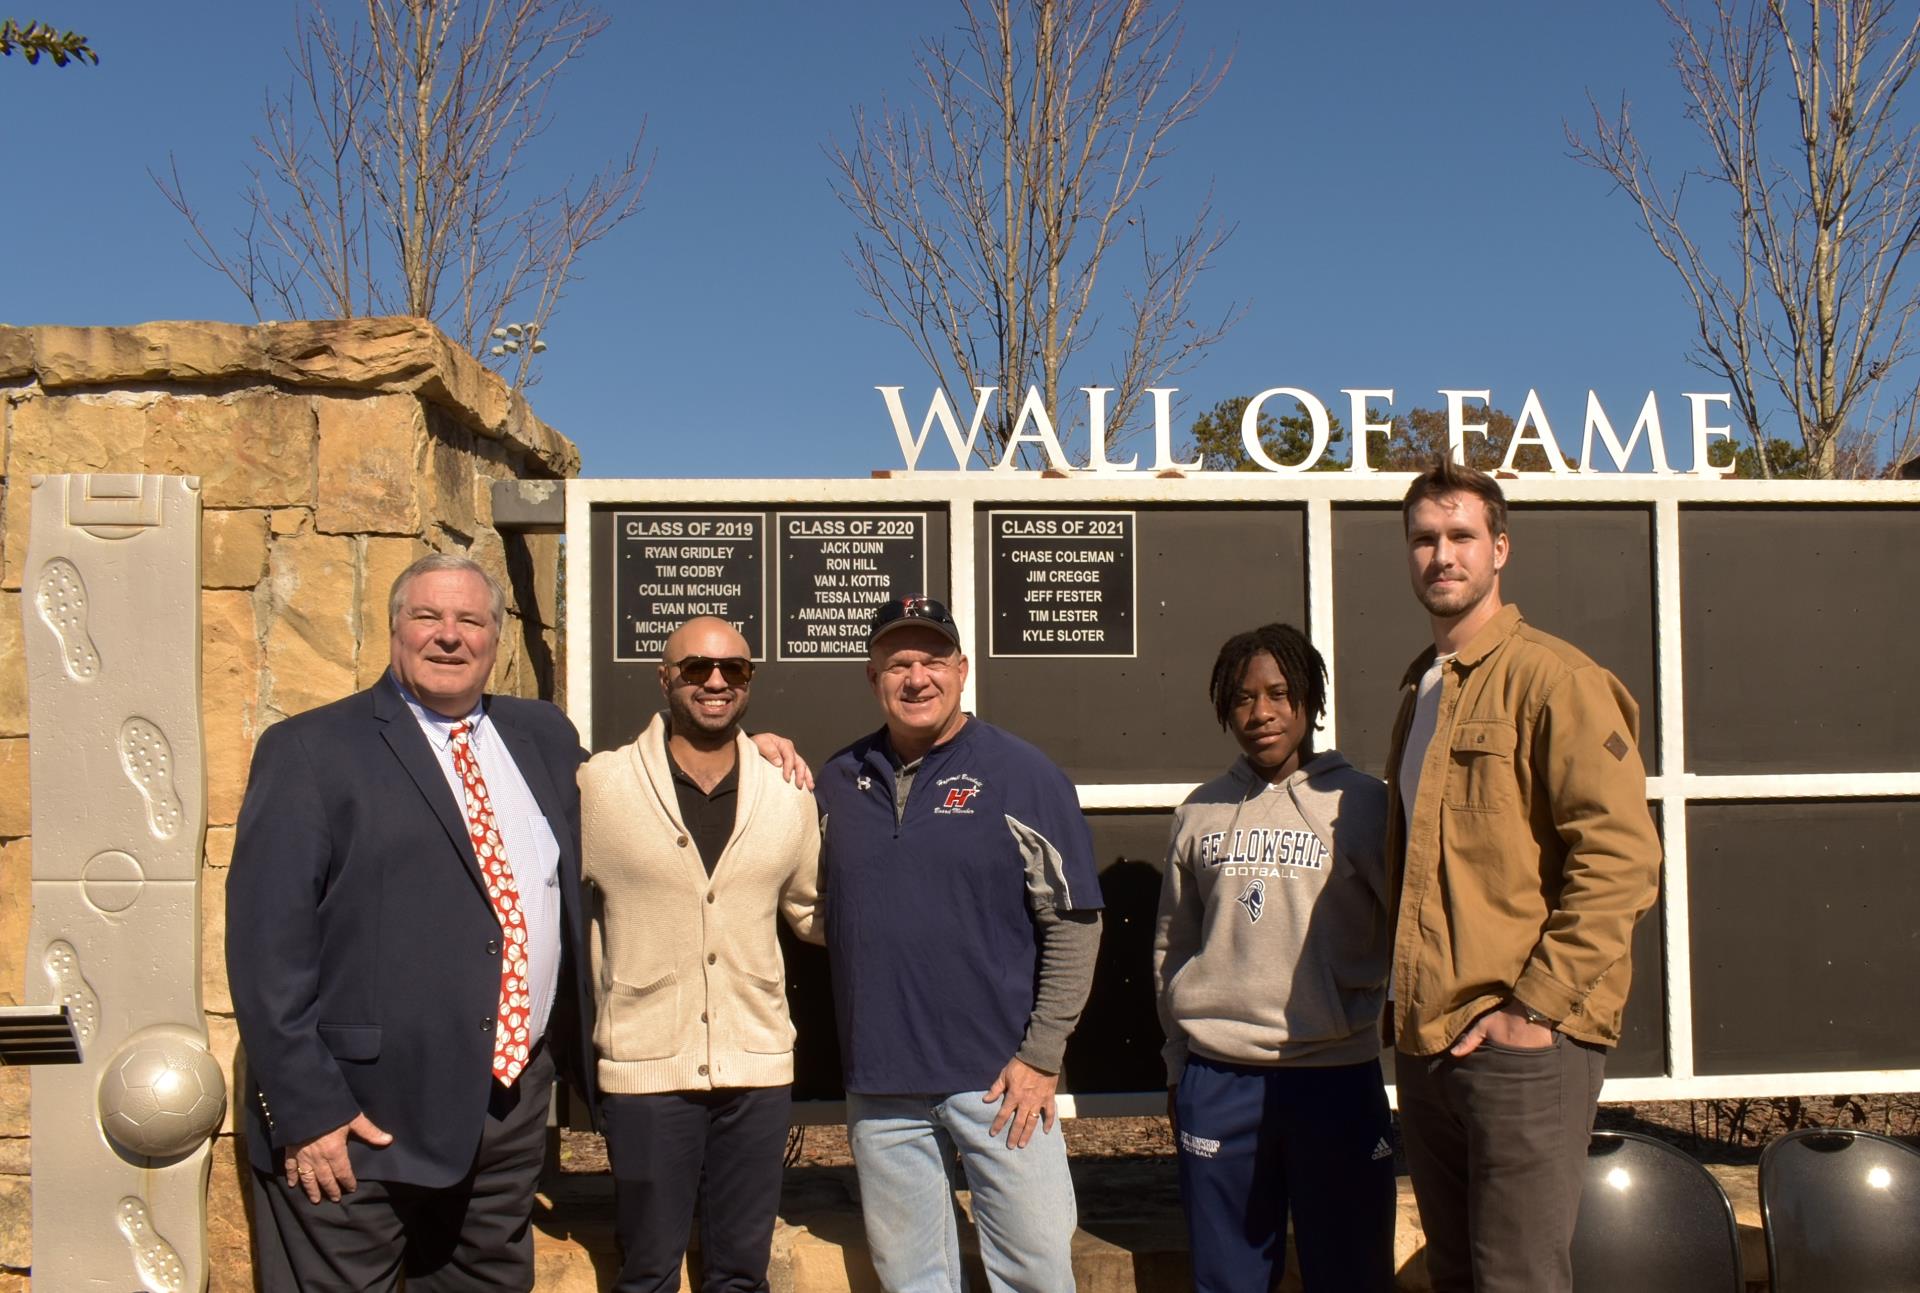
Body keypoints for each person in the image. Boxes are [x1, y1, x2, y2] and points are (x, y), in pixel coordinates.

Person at [227, 554, 806, 1290]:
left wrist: (750, 751)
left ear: (495, 639)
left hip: (505, 1117)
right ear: (394, 628)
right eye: (427, 617)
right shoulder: (312, 750)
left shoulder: (541, 737)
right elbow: (264, 947)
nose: (449, 636)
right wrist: (308, 1109)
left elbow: (652, 798)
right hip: (362, 1121)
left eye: (470, 620)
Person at [1386, 459, 1662, 1293]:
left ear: (1500, 548)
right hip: (1431, 1043)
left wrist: (1534, 1008)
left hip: (1522, 1046)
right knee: (1459, 1277)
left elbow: (1621, 859)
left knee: (1518, 1280)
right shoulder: (1422, 688)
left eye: (1462, 536)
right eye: (1425, 539)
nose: (1443, 555)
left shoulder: (1556, 679)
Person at [814, 595, 1104, 1293]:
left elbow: (1074, 921)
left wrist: (1041, 1054)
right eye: (898, 662)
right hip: (883, 1086)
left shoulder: (1022, 773)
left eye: (933, 659)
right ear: (872, 676)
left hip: (1001, 1085)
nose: (917, 677)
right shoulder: (834, 780)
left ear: (963, 669)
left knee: (1037, 1274)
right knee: (915, 1280)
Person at [579, 615, 822, 1293]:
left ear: (749, 682)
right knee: (648, 1271)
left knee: (742, 1274)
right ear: (666, 678)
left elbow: (812, 910)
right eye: (696, 668)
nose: (715, 681)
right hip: (645, 1068)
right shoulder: (601, 787)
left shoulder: (787, 793)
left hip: (758, 1067)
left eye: (733, 670)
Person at [1154, 623, 1395, 1292]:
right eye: (1241, 698)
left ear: (1310, 700)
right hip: (1219, 1080)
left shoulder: (1363, 805)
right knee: (1226, 1278)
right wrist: (1179, 1063)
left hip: (1335, 1076)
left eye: (1279, 694)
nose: (1260, 713)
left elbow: (1415, 925)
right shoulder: (1198, 812)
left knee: (1351, 1274)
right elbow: (1172, 947)